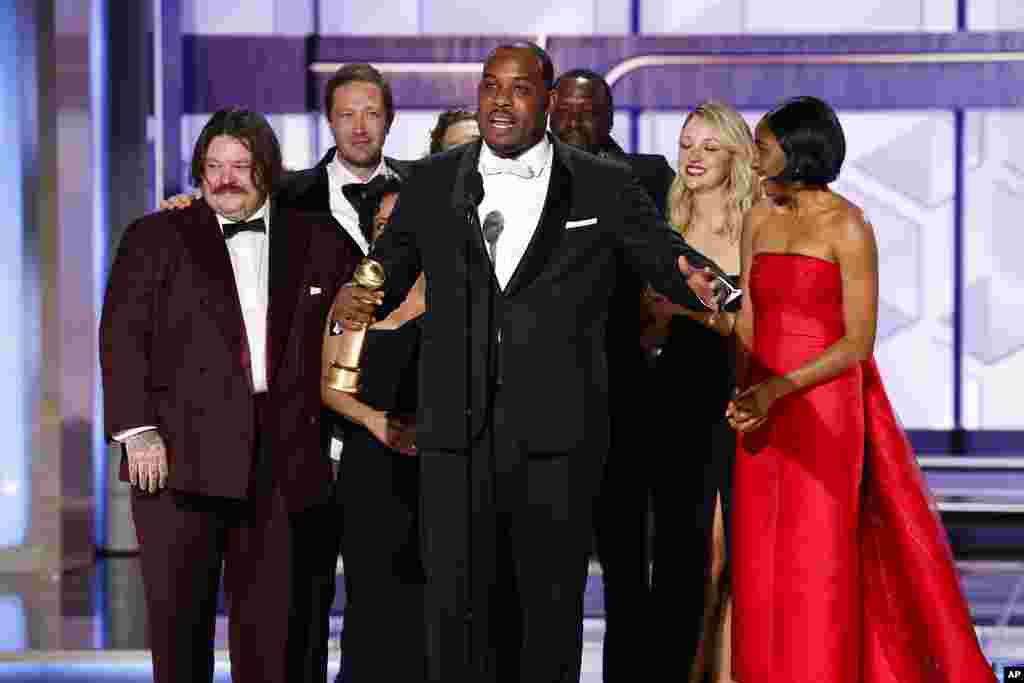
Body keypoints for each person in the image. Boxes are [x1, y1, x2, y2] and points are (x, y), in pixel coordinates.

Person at [334, 42, 723, 683]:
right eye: (490, 87)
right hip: (455, 439)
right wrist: (364, 290)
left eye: (518, 89)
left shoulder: (602, 183)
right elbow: (390, 269)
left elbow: (660, 255)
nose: (500, 101)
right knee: (457, 619)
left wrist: (700, 281)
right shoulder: (435, 180)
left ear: (545, 99)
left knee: (548, 618)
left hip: (557, 440)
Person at [727, 96, 993, 682]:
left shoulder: (849, 225)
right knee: (759, 558)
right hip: (761, 412)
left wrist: (781, 389)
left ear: (796, 151)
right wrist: (743, 389)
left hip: (821, 409)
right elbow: (748, 312)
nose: (753, 157)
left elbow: (858, 342)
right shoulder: (758, 219)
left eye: (763, 145)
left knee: (816, 556)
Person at [158, 63, 410, 682]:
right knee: (296, 601)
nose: (358, 126)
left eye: (371, 112)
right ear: (328, 120)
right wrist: (188, 209)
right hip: (296, 437)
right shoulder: (285, 193)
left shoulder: (422, 192)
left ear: (390, 120)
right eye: (346, 112)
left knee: (389, 593)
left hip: (385, 428)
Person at [99, 108, 360, 683]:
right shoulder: (154, 235)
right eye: (213, 166)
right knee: (178, 628)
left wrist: (340, 439)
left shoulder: (318, 237)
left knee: (273, 634)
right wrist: (137, 430)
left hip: (282, 458)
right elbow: (121, 335)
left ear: (268, 171)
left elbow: (357, 328)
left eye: (241, 166)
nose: (225, 179)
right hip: (174, 459)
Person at [548, 67, 676, 683]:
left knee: (630, 566)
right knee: (549, 571)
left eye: (587, 110)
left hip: (628, 401)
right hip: (543, 406)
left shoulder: (649, 179)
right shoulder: (524, 181)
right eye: (565, 110)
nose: (574, 122)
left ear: (609, 117)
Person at [642, 101, 757, 683]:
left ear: (736, 156)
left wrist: (709, 314)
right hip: (678, 396)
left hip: (742, 397)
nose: (694, 157)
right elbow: (645, 321)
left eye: (709, 147)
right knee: (687, 561)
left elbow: (766, 322)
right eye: (687, 144)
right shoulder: (663, 220)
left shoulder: (758, 222)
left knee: (732, 557)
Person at [320, 177, 430, 682]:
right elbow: (330, 387)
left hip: (442, 467)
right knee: (374, 602)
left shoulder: (456, 290)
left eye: (403, 224)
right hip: (372, 467)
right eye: (384, 226)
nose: (393, 234)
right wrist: (377, 422)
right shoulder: (356, 298)